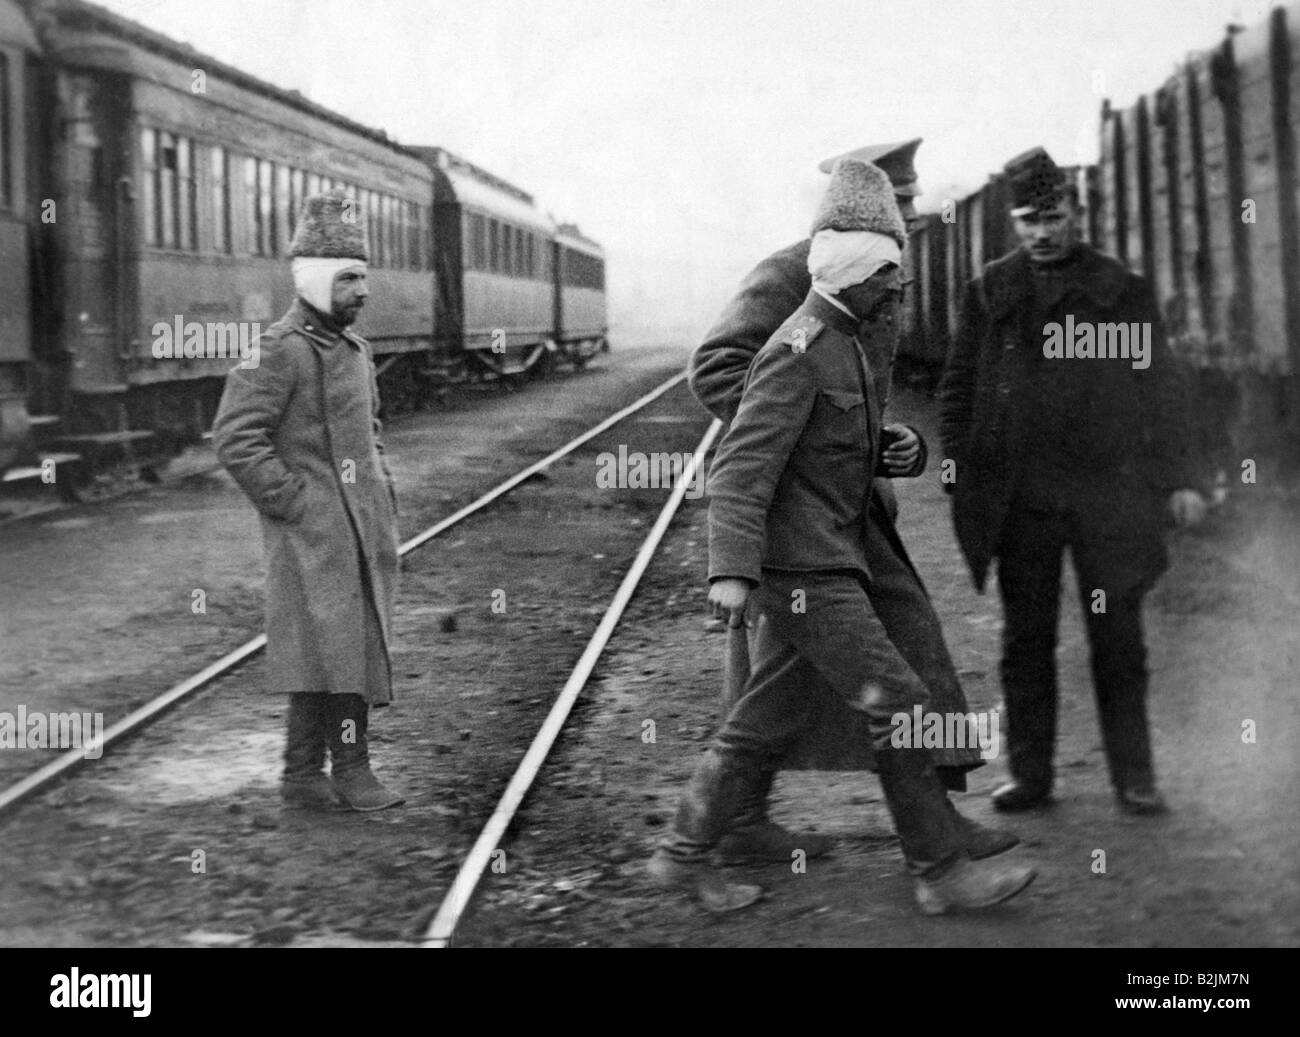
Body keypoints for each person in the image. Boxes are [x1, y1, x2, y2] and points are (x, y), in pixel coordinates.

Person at [649, 159, 1037, 914]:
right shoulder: (798, 326)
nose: (902, 278)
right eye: (899, 210)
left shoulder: (847, 320)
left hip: (842, 529)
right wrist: (729, 568)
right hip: (806, 550)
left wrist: (882, 443)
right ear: (855, 241)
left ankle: (686, 848)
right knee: (894, 695)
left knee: (775, 709)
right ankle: (938, 866)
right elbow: (741, 455)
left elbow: (857, 409)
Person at [937, 148, 1207, 815]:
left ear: (1077, 211)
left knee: (1118, 638)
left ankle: (1135, 778)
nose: (1041, 231)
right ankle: (1030, 776)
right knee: (1024, 642)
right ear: (1013, 220)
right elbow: (958, 388)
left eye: (1053, 215)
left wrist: (1179, 477)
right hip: (1022, 499)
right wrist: (957, 466)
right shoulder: (989, 291)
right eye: (1028, 219)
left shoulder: (1121, 287)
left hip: (1108, 495)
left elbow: (1163, 390)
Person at [213, 188, 404, 812]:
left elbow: (369, 431)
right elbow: (236, 439)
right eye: (349, 279)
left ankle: (305, 775)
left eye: (364, 278)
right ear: (316, 282)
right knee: (323, 653)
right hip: (310, 533)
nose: (363, 292)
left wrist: (381, 494)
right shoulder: (273, 349)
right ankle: (345, 771)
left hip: (361, 529)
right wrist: (296, 504)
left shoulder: (356, 351)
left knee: (349, 648)